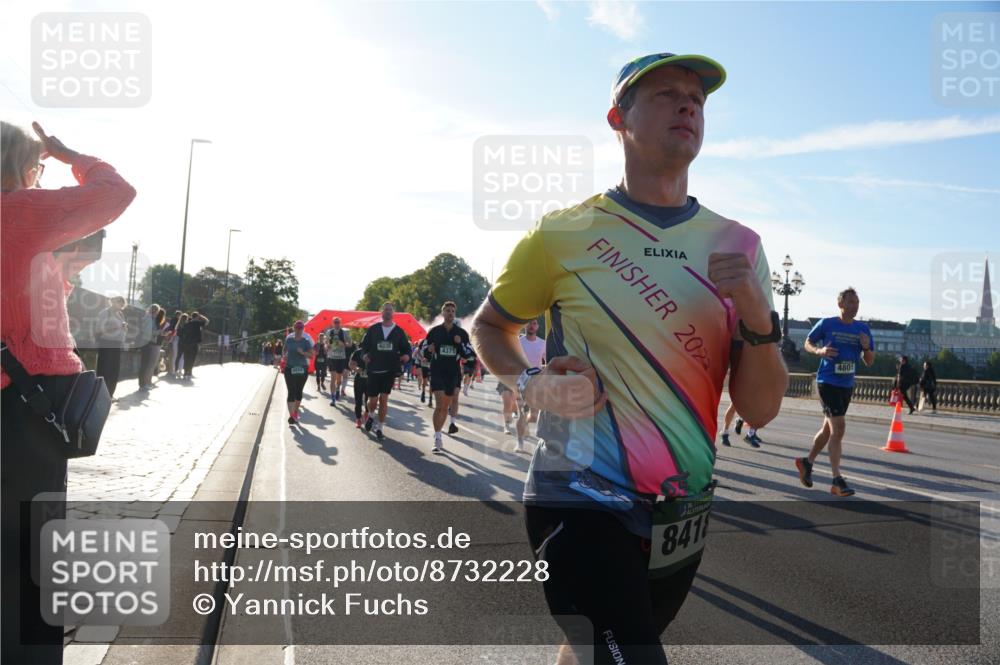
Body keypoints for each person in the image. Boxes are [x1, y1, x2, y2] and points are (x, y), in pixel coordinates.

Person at [470, 54, 787, 665]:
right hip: (579, 495)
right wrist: (530, 383)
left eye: (697, 98)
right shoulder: (563, 233)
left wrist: (756, 316)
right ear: (618, 118)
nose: (688, 104)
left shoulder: (740, 247)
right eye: (666, 93)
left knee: (593, 649)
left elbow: (760, 410)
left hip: (680, 511)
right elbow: (489, 326)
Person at [2, 120, 136, 665]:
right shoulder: (21, 211)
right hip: (27, 401)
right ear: (21, 166)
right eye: (35, 167)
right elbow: (116, 192)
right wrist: (68, 154)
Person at [797, 287, 875, 498]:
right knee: (838, 428)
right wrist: (819, 351)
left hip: (846, 385)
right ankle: (836, 480)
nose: (854, 306)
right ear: (840, 304)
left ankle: (807, 462)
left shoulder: (863, 329)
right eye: (850, 302)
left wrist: (866, 348)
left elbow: (869, 361)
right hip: (827, 382)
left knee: (828, 430)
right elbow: (807, 343)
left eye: (857, 302)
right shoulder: (827, 324)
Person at [424, 301, 475, 452]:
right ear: (443, 313)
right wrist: (429, 350)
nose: (450, 313)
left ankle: (441, 431)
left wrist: (459, 344)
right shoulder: (434, 332)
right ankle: (437, 438)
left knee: (445, 407)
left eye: (452, 311)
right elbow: (423, 351)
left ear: (454, 314)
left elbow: (470, 355)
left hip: (453, 373)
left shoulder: (461, 333)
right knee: (440, 405)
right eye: (447, 310)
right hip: (437, 371)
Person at [360, 302, 411, 440]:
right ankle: (371, 415)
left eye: (390, 310)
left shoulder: (398, 331)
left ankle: (380, 427)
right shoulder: (373, 329)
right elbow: (364, 347)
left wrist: (407, 356)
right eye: (386, 310)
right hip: (374, 369)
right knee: (373, 400)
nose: (388, 312)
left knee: (383, 399)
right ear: (381, 312)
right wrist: (364, 355)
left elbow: (407, 348)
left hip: (389, 370)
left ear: (393, 313)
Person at [515, 319, 546, 453]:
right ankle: (519, 443)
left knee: (533, 416)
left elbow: (548, 362)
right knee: (521, 412)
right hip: (520, 381)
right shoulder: (517, 342)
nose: (531, 326)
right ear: (524, 325)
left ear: (537, 326)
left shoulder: (542, 343)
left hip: (536, 382)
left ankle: (526, 424)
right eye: (529, 323)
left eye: (534, 323)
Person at [282, 320, 314, 425]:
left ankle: (295, 412)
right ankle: (291, 415)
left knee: (299, 391)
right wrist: (284, 356)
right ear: (294, 328)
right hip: (289, 368)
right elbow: (284, 351)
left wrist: (303, 352)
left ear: (303, 329)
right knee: (291, 391)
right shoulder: (289, 340)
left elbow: (311, 355)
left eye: (301, 328)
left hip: (302, 369)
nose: (299, 330)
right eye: (297, 328)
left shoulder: (306, 341)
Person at [95, 295, 128, 397]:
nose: (121, 304)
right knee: (104, 370)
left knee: (114, 370)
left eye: (122, 303)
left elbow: (122, 330)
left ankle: (110, 395)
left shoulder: (120, 314)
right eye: (119, 302)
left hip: (117, 344)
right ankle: (100, 394)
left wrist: (124, 329)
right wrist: (116, 327)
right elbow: (99, 330)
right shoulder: (105, 313)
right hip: (107, 343)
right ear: (113, 301)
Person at [138, 304, 163, 390]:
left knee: (146, 364)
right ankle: (143, 384)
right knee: (145, 364)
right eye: (156, 310)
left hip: (148, 342)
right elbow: (148, 332)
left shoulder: (150, 318)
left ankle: (143, 384)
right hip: (146, 342)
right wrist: (158, 332)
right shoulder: (149, 318)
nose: (157, 312)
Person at [326, 318, 351, 405]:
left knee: (339, 379)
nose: (337, 324)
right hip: (332, 357)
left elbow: (350, 344)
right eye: (335, 322)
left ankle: (337, 390)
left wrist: (343, 344)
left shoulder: (344, 333)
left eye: (338, 322)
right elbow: (327, 343)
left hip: (341, 358)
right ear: (332, 323)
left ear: (340, 323)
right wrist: (327, 346)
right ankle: (333, 399)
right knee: (333, 378)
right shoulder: (329, 332)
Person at [179, 311, 208, 378]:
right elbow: (207, 321)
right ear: (197, 317)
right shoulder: (198, 323)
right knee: (192, 358)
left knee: (186, 358)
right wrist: (201, 316)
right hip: (194, 343)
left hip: (186, 343)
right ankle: (189, 372)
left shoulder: (187, 324)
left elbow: (183, 333)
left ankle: (185, 372)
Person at [349, 344, 369, 427]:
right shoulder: (357, 352)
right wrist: (356, 369)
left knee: (368, 400)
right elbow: (350, 364)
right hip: (359, 379)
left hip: (371, 380)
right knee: (358, 400)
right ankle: (358, 418)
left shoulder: (374, 352)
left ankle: (367, 413)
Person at [172, 312, 189, 377]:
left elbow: (176, 333)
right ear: (186, 318)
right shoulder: (187, 325)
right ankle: (180, 371)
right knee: (182, 357)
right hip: (184, 342)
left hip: (177, 341)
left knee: (176, 356)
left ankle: (174, 370)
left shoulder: (178, 325)